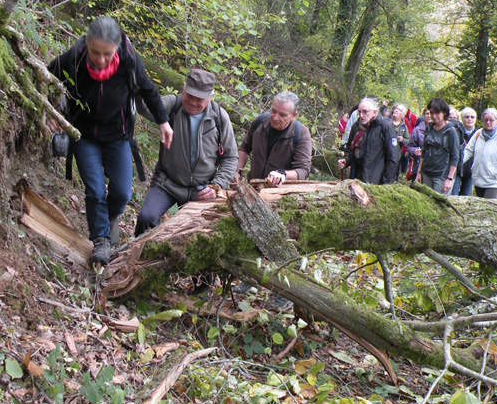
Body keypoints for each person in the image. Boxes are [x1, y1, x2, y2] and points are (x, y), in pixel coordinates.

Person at [48, 16, 174, 265]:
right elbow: (48, 75)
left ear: (117, 48)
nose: (101, 59)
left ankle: (106, 218)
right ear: (87, 43)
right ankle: (101, 241)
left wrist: (163, 121)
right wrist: (50, 109)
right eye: (96, 52)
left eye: (107, 53)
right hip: (84, 135)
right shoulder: (74, 58)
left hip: (118, 136)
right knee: (95, 190)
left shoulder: (128, 60)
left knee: (121, 192)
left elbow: (148, 89)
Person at [135, 69, 238, 235]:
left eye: (200, 99)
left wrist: (217, 184)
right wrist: (139, 90)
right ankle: (133, 257)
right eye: (190, 96)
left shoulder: (219, 117)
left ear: (210, 97)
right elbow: (148, 108)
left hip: (203, 189)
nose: (193, 102)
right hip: (167, 183)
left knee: (196, 236)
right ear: (184, 89)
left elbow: (231, 157)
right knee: (146, 218)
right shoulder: (173, 105)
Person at [237, 91, 312, 186]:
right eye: (273, 111)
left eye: (282, 115)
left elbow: (303, 171)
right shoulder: (260, 123)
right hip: (253, 189)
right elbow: (245, 148)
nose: (275, 118)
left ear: (294, 115)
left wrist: (282, 174)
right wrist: (237, 172)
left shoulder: (301, 134)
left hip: (280, 195)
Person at [337, 97, 397, 184]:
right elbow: (350, 150)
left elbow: (393, 157)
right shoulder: (356, 127)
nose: (361, 115)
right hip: (355, 176)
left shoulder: (385, 127)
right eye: (359, 112)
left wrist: (386, 183)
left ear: (375, 112)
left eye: (365, 112)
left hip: (375, 180)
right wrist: (346, 160)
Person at [463, 107, 497, 198]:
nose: (488, 122)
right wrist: (456, 163)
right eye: (486, 120)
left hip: (493, 182)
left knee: (488, 207)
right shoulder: (478, 134)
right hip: (478, 180)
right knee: (481, 208)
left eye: (491, 120)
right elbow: (468, 151)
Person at [415, 98, 459, 194]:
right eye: (431, 113)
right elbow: (424, 151)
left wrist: (449, 179)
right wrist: (419, 172)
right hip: (426, 173)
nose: (434, 116)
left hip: (442, 176)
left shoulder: (451, 131)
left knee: (438, 204)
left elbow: (455, 156)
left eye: (437, 113)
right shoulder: (429, 128)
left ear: (444, 113)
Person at [457, 107, 478, 196]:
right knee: (452, 195)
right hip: (457, 169)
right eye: (467, 117)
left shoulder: (479, 134)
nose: (470, 119)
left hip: (471, 171)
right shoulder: (456, 132)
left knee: (466, 197)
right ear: (462, 118)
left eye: (472, 117)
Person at [387, 103, 410, 181]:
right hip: (384, 154)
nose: (396, 110)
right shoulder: (386, 123)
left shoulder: (403, 127)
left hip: (395, 157)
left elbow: (408, 141)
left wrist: (402, 139)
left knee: (392, 176)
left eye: (399, 110)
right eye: (396, 108)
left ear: (402, 114)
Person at [406, 107, 430, 180]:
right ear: (423, 115)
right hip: (418, 165)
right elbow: (409, 147)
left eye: (431, 113)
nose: (429, 116)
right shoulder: (417, 130)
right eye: (427, 114)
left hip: (434, 167)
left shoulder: (440, 130)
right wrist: (414, 150)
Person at [447, 106, 465, 195]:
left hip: (455, 165)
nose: (452, 120)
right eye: (450, 118)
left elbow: (460, 149)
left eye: (454, 118)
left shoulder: (460, 130)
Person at [399, 104, 417, 180]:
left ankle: (403, 175)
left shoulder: (412, 117)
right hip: (399, 145)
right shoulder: (397, 118)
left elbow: (414, 131)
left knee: (405, 159)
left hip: (407, 144)